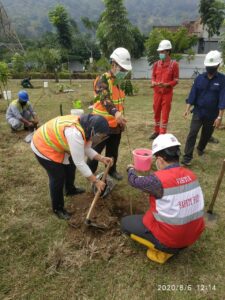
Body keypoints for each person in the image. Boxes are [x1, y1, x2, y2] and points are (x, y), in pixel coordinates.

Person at [121, 134, 205, 264]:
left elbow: (134, 181)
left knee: (126, 223)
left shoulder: (158, 181)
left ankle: (164, 249)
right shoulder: (191, 175)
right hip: (193, 235)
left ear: (160, 159)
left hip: (172, 240)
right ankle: (174, 243)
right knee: (152, 214)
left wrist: (130, 169)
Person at [31, 114, 113, 220]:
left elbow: (86, 148)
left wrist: (101, 158)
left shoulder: (86, 128)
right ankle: (58, 208)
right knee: (57, 177)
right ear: (93, 130)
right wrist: (96, 181)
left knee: (70, 166)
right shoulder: (75, 133)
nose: (100, 138)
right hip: (43, 146)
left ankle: (69, 189)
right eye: (100, 135)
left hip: (56, 143)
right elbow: (80, 162)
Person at [87, 47, 132, 180]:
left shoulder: (120, 82)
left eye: (125, 70)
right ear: (113, 63)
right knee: (95, 150)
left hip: (115, 125)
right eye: (122, 69)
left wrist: (120, 118)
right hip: (100, 125)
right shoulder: (102, 80)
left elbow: (120, 102)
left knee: (113, 151)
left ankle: (112, 170)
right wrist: (116, 113)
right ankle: (90, 172)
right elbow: (105, 100)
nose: (123, 72)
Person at [182, 50, 225, 166]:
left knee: (206, 134)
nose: (209, 68)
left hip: (212, 115)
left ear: (217, 65)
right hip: (198, 112)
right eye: (208, 66)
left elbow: (222, 99)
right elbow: (192, 94)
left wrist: (220, 117)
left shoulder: (222, 80)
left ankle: (200, 148)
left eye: (212, 66)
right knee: (193, 132)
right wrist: (187, 109)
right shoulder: (199, 78)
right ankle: (187, 156)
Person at [149, 40, 179, 140]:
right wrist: (153, 82)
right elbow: (153, 76)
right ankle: (156, 131)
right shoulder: (156, 64)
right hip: (157, 93)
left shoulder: (174, 64)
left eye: (162, 52)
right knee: (156, 112)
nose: (160, 54)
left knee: (165, 113)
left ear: (167, 51)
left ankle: (162, 134)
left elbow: (176, 80)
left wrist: (167, 84)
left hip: (167, 94)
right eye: (160, 52)